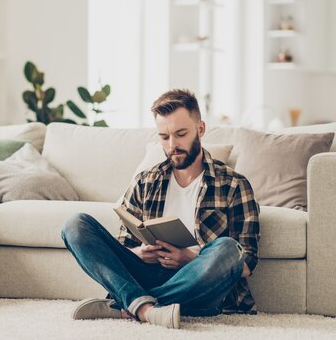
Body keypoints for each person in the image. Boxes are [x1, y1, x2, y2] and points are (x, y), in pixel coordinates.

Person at [61, 89, 260, 329]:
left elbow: (245, 263)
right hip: (148, 271)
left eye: (181, 134)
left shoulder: (234, 185)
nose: (172, 145)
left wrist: (190, 258)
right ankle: (147, 309)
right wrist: (140, 253)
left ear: (200, 129)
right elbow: (123, 246)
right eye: (164, 137)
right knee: (75, 225)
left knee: (229, 249)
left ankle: (131, 305)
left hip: (199, 284)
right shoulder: (146, 181)